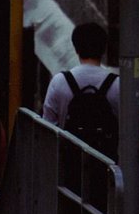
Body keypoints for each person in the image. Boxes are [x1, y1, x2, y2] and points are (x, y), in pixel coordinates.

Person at [41, 22, 120, 156]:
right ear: (103, 50)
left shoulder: (60, 81)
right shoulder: (117, 84)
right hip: (106, 161)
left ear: (76, 48)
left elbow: (48, 126)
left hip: (70, 159)